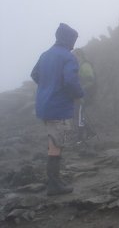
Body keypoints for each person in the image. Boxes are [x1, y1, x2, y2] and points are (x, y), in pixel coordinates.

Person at [31, 23, 84, 196]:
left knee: (52, 141)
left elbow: (35, 74)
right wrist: (78, 94)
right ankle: (54, 185)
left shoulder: (45, 55)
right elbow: (70, 81)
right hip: (58, 107)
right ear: (68, 39)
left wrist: (48, 85)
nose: (73, 44)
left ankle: (55, 181)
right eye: (73, 40)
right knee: (56, 145)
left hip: (44, 105)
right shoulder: (68, 57)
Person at [72, 48, 97, 143]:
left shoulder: (85, 65)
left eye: (74, 56)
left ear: (79, 55)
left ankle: (80, 138)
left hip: (84, 95)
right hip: (81, 94)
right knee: (78, 115)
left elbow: (90, 80)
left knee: (79, 115)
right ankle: (90, 133)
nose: (73, 58)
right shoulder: (80, 66)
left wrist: (80, 89)